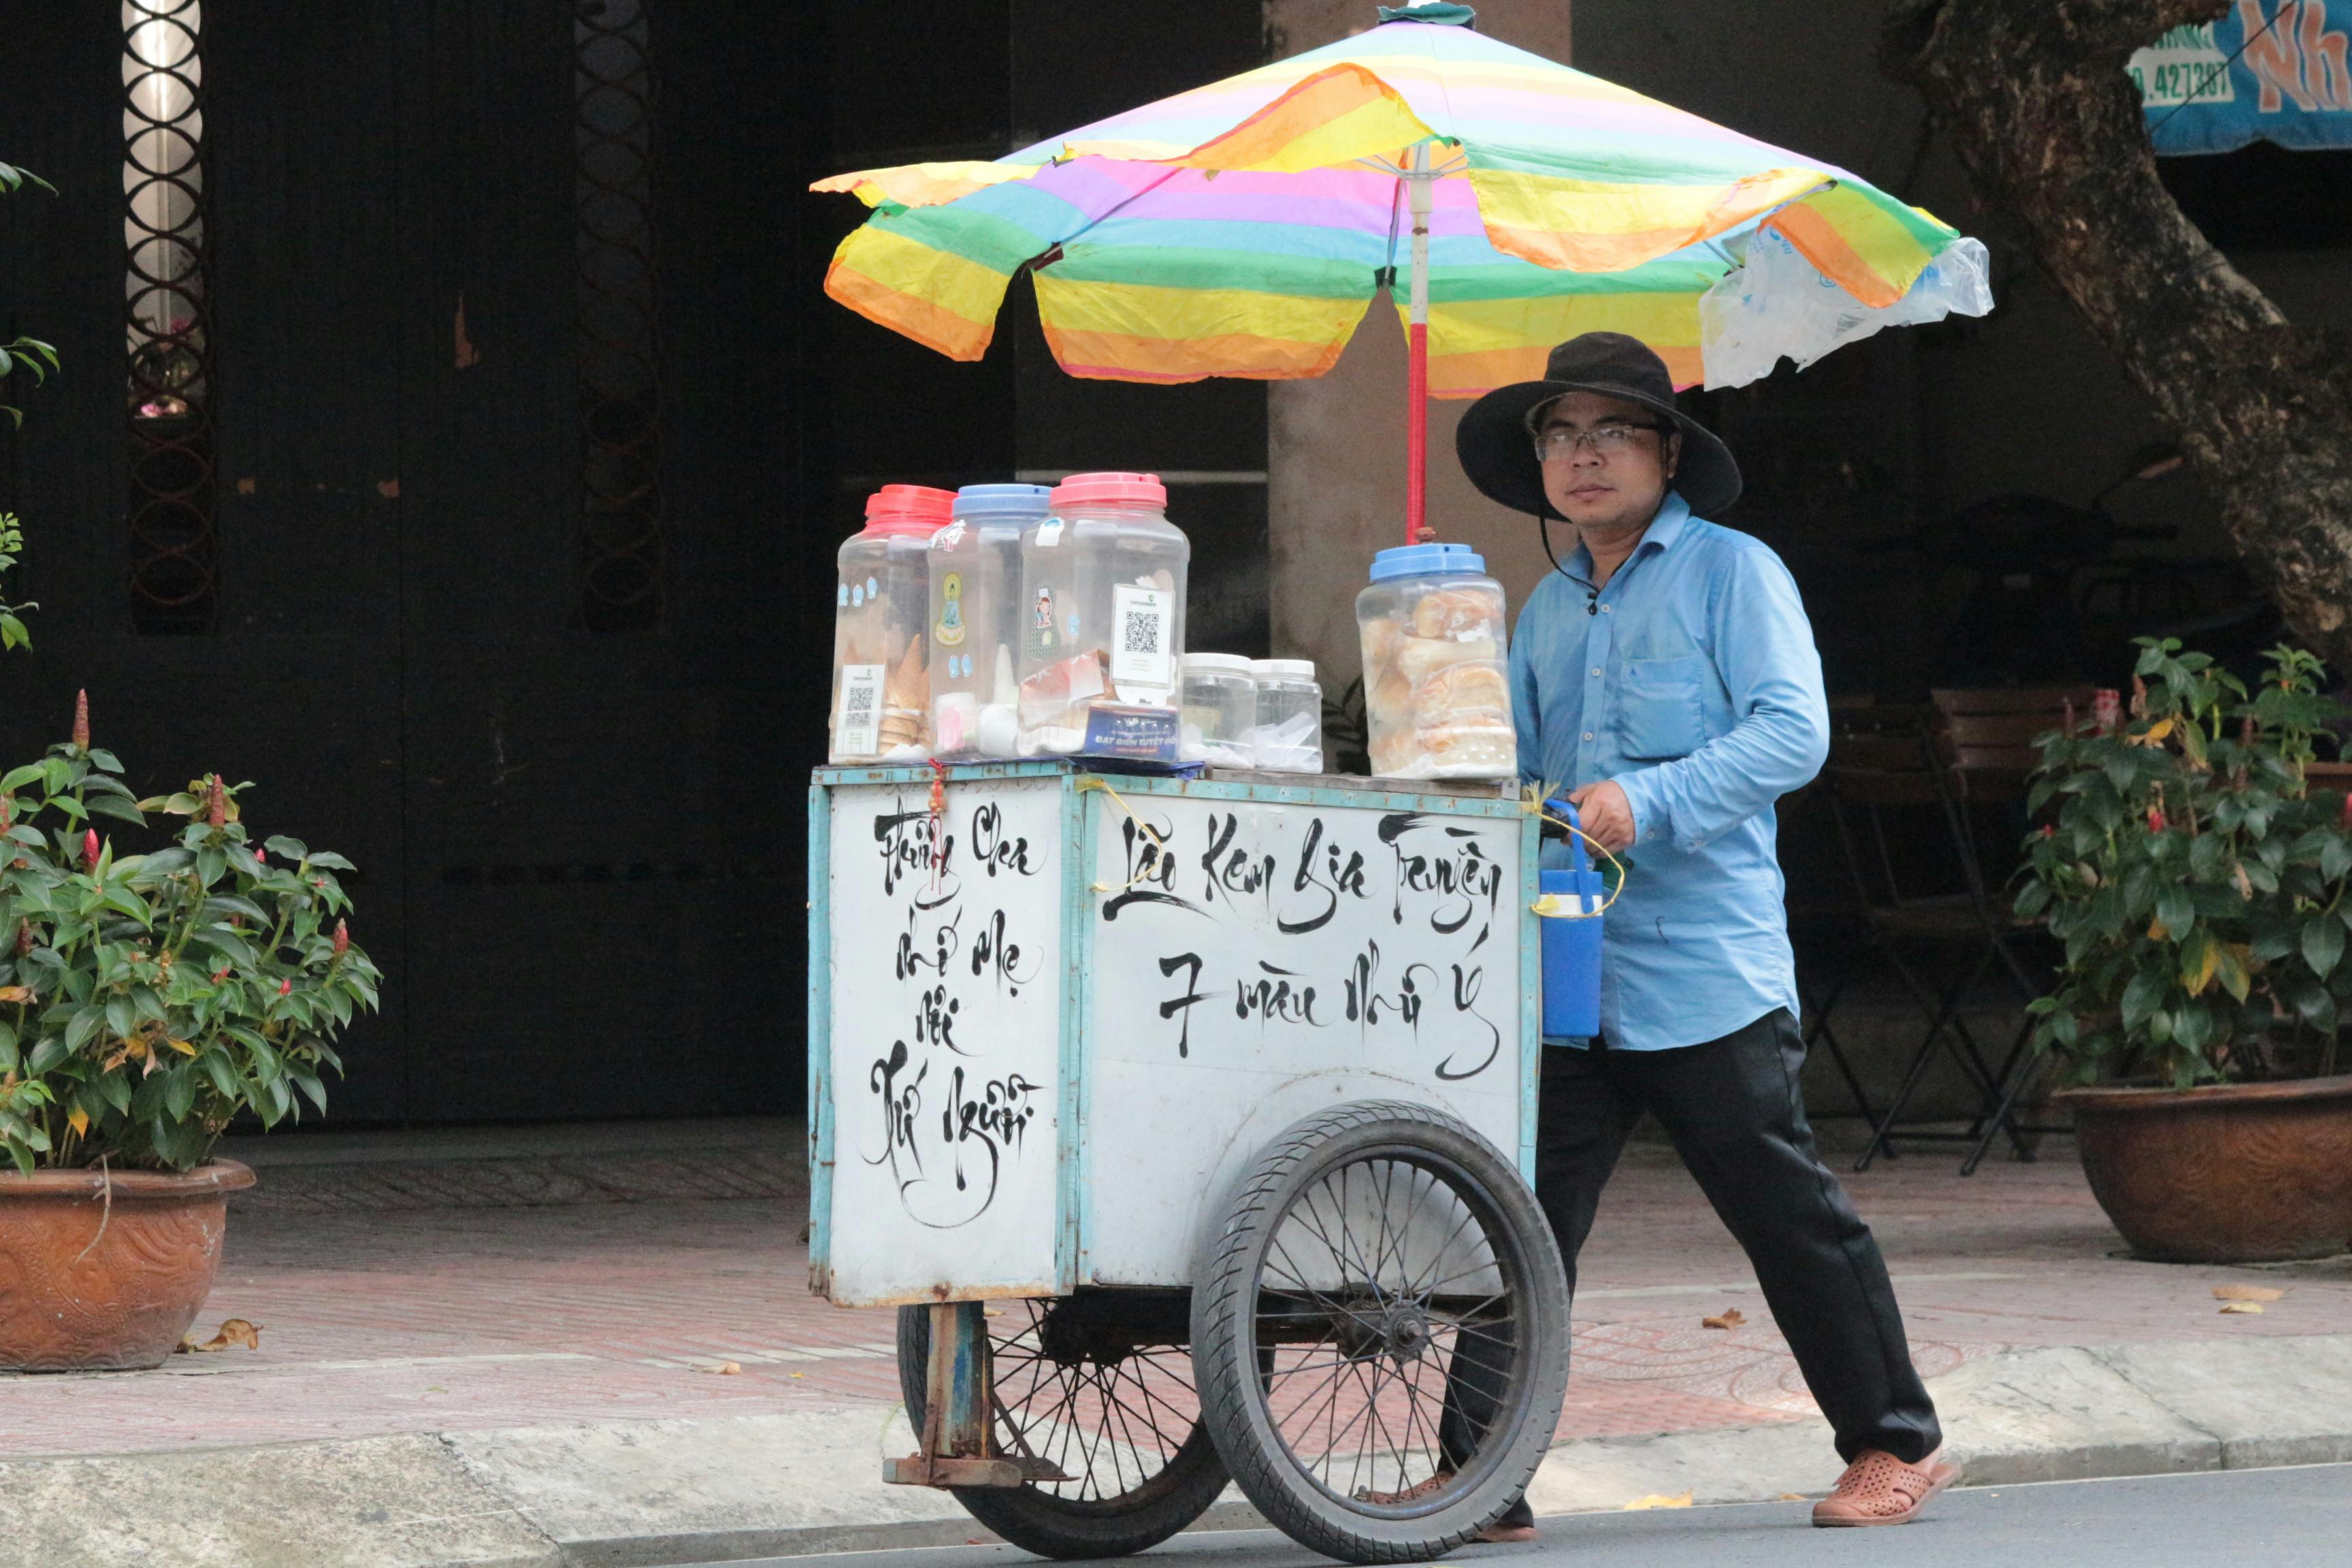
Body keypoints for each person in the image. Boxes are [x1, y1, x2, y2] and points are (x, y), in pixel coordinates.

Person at [1447, 331, 1957, 1535]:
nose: (1583, 457)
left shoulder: (1735, 572)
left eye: (1612, 432)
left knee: (1786, 1214)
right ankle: (1480, 1477)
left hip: (1705, 966)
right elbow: (1517, 768)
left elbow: (1795, 736)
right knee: (1514, 1222)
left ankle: (1896, 1444)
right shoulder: (1542, 606)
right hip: (1570, 966)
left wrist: (1649, 798)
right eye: (1561, 435)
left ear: (1668, 454)